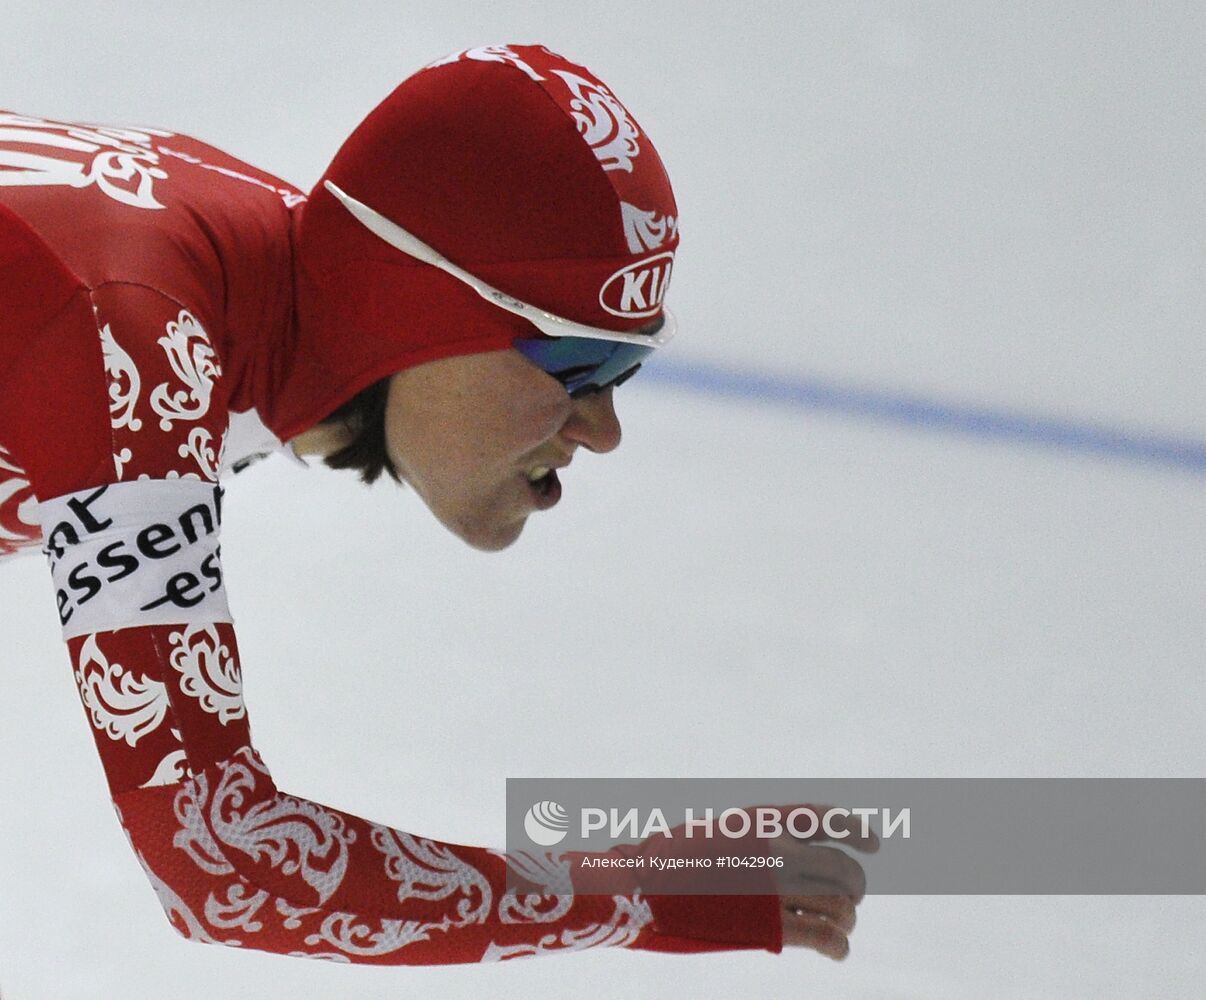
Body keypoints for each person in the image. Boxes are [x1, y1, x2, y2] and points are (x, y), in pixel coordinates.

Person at [0, 44, 872, 966]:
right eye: (577, 366)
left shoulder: (253, 283)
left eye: (628, 367)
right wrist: (629, 895)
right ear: (412, 308)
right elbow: (220, 860)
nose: (603, 427)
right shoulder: (137, 337)